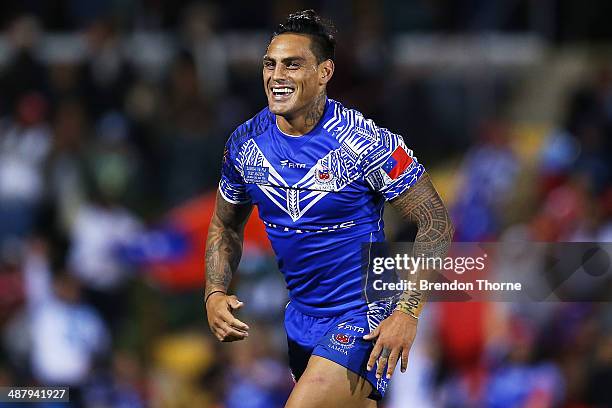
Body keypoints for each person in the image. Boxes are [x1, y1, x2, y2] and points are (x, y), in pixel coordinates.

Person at [204, 10, 453, 407]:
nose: (276, 75)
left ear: (324, 73)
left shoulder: (366, 143)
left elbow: (436, 222)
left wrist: (407, 312)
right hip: (301, 322)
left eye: (292, 64)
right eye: (270, 64)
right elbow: (225, 224)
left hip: (364, 318)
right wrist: (214, 292)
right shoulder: (244, 145)